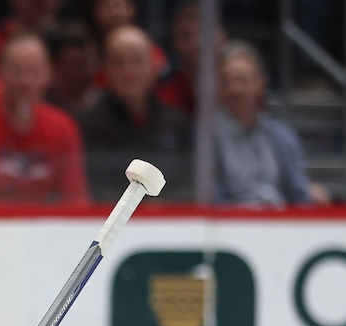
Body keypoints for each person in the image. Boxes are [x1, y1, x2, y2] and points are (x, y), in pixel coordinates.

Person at [0, 32, 88, 204]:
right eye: (17, 71)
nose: (25, 81)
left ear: (48, 75)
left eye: (34, 72)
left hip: (44, 226)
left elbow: (75, 196)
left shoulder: (63, 127)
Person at [78, 25, 190, 201]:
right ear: (105, 68)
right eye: (119, 62)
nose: (128, 71)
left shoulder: (178, 123)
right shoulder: (89, 125)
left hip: (169, 223)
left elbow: (191, 185)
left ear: (154, 65)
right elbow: (92, 189)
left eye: (137, 61)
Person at [213, 41, 329, 205]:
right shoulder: (207, 140)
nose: (235, 90)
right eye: (226, 81)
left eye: (242, 80)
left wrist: (312, 198)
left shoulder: (281, 136)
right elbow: (211, 200)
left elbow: (298, 194)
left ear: (260, 84)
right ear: (217, 87)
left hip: (280, 224)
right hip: (231, 225)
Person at [44, 22, 99, 117]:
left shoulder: (111, 105)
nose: (87, 71)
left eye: (90, 63)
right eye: (77, 65)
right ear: (55, 66)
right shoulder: (44, 108)